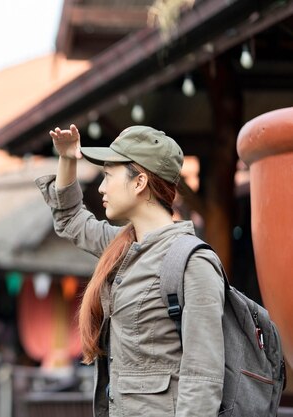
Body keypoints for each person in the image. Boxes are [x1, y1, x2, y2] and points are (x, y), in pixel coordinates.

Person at [35, 125, 225, 416]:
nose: (101, 187)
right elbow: (70, 220)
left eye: (108, 176)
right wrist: (67, 159)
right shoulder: (121, 245)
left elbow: (203, 378)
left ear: (139, 182)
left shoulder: (193, 262)